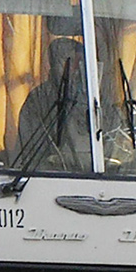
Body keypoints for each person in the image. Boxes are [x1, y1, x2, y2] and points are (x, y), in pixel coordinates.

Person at [15, 36, 91, 171]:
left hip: (87, 172)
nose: (78, 69)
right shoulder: (39, 98)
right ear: (56, 63)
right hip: (48, 174)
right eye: (72, 62)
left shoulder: (92, 97)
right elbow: (31, 147)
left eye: (81, 63)